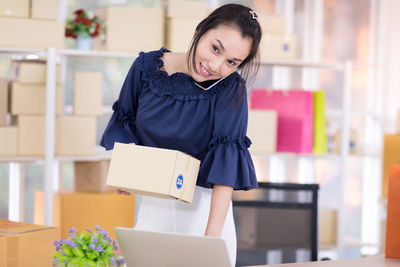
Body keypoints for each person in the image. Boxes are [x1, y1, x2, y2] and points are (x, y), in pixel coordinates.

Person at [100, 3, 262, 266]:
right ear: (201, 30)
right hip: (154, 205)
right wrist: (126, 168)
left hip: (206, 214)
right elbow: (125, 119)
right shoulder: (146, 69)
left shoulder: (230, 89)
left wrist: (211, 238)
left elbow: (226, 168)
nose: (215, 64)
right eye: (215, 48)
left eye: (231, 62)